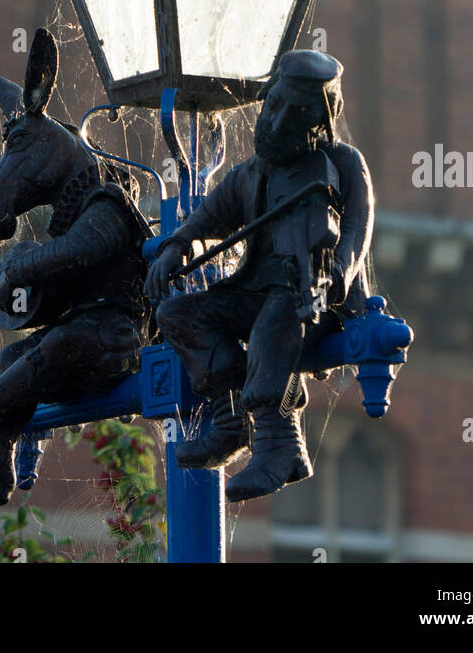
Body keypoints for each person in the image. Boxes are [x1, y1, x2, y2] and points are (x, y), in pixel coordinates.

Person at [145, 49, 374, 501]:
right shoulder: (249, 175)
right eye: (275, 105)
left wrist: (342, 269)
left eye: (298, 114)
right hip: (255, 289)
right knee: (179, 313)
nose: (280, 120)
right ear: (266, 98)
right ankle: (230, 421)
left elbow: (358, 224)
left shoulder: (342, 162)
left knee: (276, 320)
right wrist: (175, 247)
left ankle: (280, 447)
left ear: (320, 122)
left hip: (317, 291)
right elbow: (205, 220)